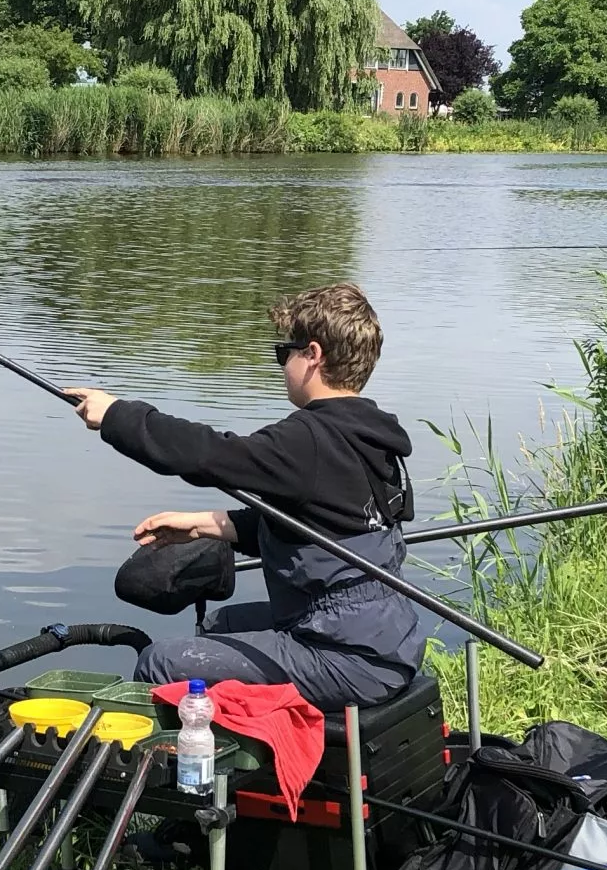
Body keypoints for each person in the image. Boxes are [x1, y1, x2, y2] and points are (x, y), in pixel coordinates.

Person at [62, 282, 422, 710]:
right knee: (220, 624)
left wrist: (117, 416)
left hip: (344, 655)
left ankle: (190, 772)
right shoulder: (369, 435)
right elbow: (320, 522)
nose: (281, 365)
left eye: (282, 353)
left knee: (160, 663)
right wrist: (204, 524)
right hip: (384, 637)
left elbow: (210, 455)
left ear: (313, 355)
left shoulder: (310, 439)